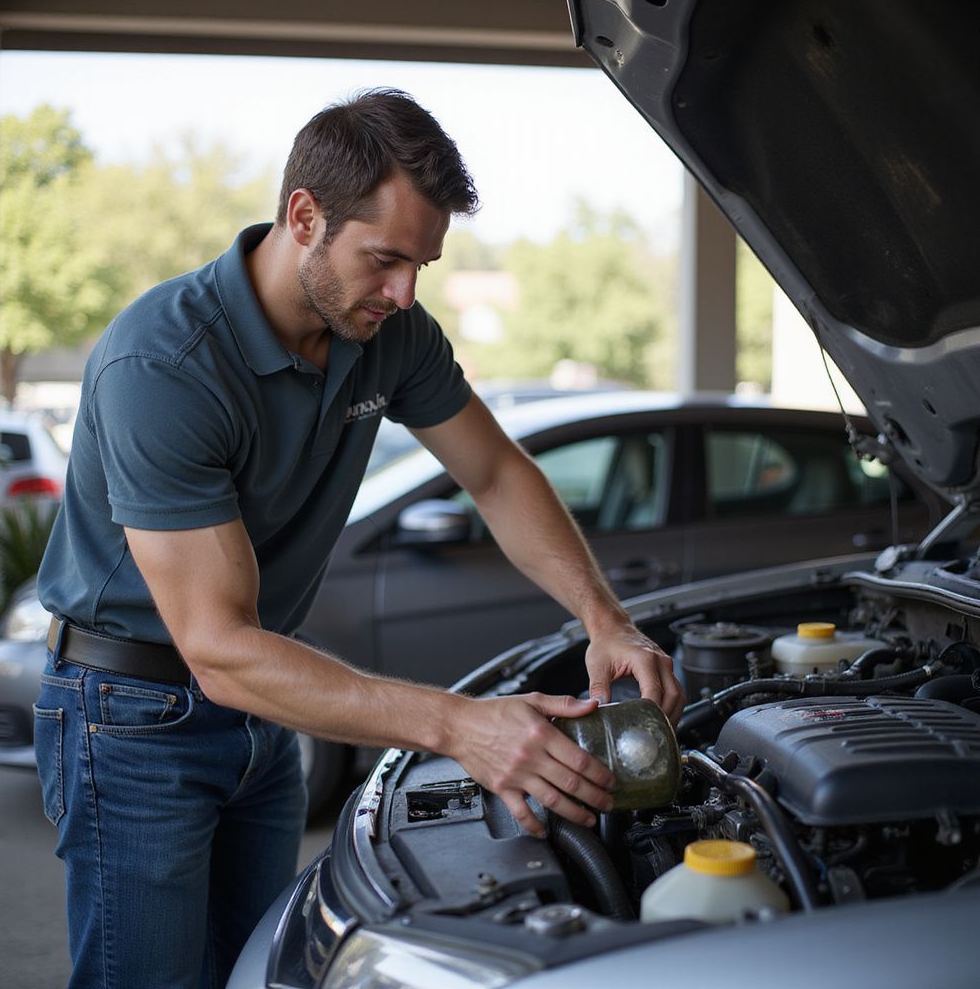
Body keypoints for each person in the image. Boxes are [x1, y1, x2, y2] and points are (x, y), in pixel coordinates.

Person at [34, 88, 684, 989]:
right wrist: (462, 728)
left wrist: (606, 620)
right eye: (385, 260)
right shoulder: (164, 365)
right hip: (133, 715)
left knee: (259, 973)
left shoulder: (390, 334)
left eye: (423, 264)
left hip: (270, 705)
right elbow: (218, 648)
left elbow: (495, 474)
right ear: (304, 216)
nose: (405, 293)